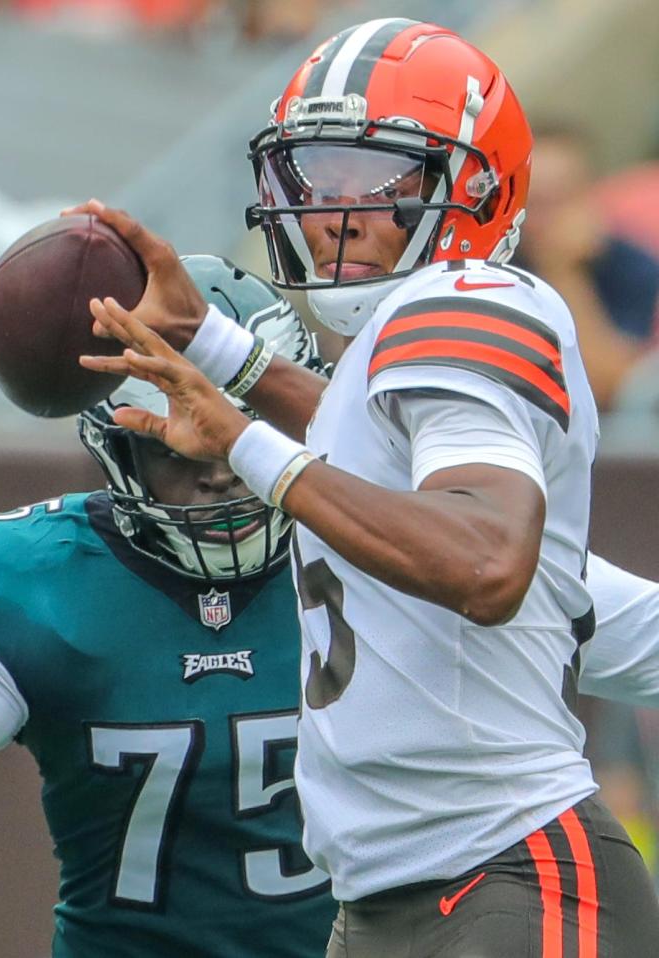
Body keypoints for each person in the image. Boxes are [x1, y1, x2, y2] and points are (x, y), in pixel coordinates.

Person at [71, 18, 659, 956]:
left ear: (472, 187)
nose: (333, 210)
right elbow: (365, 448)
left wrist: (250, 445)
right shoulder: (408, 337)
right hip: (397, 898)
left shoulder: (468, 299)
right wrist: (214, 347)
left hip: (504, 873)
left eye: (373, 178)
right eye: (314, 174)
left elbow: (487, 559)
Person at [0, 257, 344, 958]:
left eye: (243, 431)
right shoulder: (35, 575)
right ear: (114, 448)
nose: (220, 468)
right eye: (173, 447)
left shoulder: (372, 550)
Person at [514, 121, 659, 410]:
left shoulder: (629, 264)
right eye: (535, 202)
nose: (548, 219)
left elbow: (607, 386)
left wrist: (563, 271)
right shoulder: (488, 261)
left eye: (562, 199)